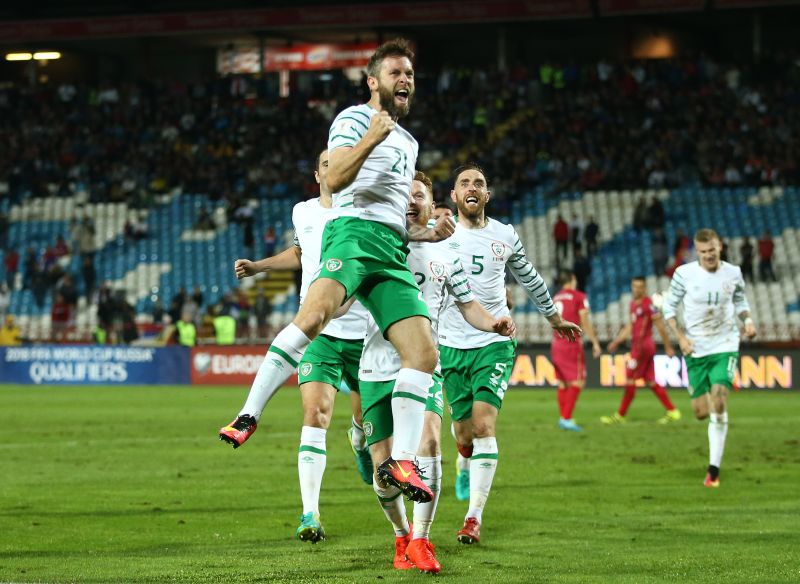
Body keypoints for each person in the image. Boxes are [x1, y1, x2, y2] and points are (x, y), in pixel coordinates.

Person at [217, 39, 456, 506]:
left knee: (423, 354)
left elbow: (392, 212)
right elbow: (336, 180)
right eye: (395, 73)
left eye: (409, 73)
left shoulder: (409, 141)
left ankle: (402, 459)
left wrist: (423, 235)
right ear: (373, 82)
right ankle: (248, 414)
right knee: (312, 318)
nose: (405, 80)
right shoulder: (351, 119)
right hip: (352, 236)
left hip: (389, 248)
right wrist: (373, 135)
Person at [359, 171, 515, 573]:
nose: (410, 201)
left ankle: (421, 540)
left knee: (429, 441)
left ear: (433, 205)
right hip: (376, 367)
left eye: (418, 196)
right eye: (403, 196)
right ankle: (400, 534)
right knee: (383, 473)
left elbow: (468, 305)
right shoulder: (376, 244)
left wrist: (493, 322)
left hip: (424, 367)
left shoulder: (446, 255)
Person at [224, 150, 372, 544]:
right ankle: (310, 513)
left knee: (365, 427)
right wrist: (259, 266)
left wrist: (346, 301)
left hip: (364, 337)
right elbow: (302, 253)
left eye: (339, 163)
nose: (332, 169)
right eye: (326, 164)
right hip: (318, 335)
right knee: (315, 414)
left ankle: (358, 441)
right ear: (318, 173)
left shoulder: (363, 212)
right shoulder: (302, 212)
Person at [438, 164, 581, 545]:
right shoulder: (439, 237)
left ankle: (473, 518)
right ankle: (463, 457)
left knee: (484, 426)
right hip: (450, 345)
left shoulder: (504, 234)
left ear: (488, 195)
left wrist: (554, 317)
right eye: (464, 183)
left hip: (495, 342)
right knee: (463, 431)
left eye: (479, 183)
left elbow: (529, 276)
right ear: (453, 196)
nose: (472, 187)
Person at [663, 228, 756, 488]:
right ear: (697, 251)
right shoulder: (684, 274)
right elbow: (668, 307)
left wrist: (747, 321)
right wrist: (680, 337)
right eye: (703, 252)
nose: (708, 256)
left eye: (712, 250)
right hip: (695, 348)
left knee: (719, 402)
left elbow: (740, 301)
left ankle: (713, 470)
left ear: (720, 247)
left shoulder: (733, 273)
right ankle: (712, 385)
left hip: (725, 343)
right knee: (701, 413)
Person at [603, 276, 681, 424]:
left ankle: (620, 415)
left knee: (630, 378)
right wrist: (617, 341)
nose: (637, 289)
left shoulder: (648, 305)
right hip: (639, 347)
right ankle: (672, 410)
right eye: (634, 286)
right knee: (650, 381)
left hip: (642, 348)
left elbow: (660, 326)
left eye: (640, 286)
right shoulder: (633, 304)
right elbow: (630, 326)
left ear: (644, 288)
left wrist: (668, 346)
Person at [550, 270, 602, 432]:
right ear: (573, 279)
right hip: (571, 344)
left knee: (563, 383)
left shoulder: (556, 297)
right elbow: (584, 320)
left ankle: (563, 417)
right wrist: (595, 342)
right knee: (578, 381)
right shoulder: (579, 296)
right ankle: (566, 418)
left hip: (556, 344)